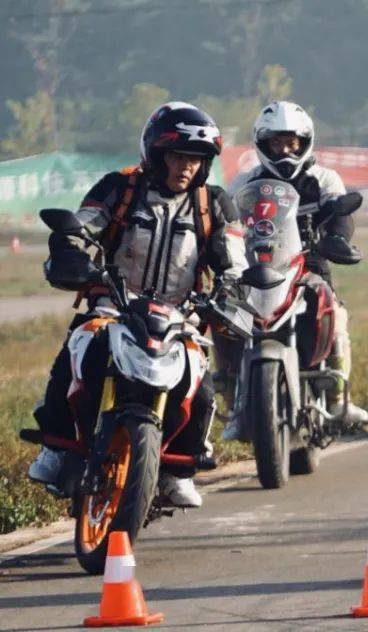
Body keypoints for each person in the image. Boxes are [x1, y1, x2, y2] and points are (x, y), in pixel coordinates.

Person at [28, 102, 246, 508]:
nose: (186, 166)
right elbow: (85, 224)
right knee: (75, 357)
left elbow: (233, 256)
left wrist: (232, 288)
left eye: (195, 159)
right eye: (177, 155)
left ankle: (178, 470)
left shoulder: (215, 203)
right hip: (114, 305)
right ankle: (56, 448)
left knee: (201, 391)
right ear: (155, 153)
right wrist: (71, 251)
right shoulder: (118, 188)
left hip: (180, 316)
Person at [221, 101, 368, 434]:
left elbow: (342, 215)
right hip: (253, 269)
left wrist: (337, 239)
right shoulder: (244, 182)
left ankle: (337, 398)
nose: (286, 151)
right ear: (262, 144)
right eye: (277, 143)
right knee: (227, 317)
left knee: (335, 313)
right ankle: (232, 402)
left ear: (305, 142)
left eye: (292, 143)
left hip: (308, 265)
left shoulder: (323, 179)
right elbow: (226, 222)